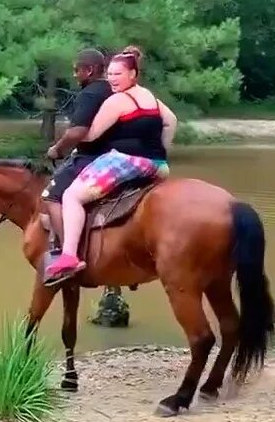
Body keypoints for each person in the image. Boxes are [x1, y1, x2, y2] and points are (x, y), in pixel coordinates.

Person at [44, 46, 177, 286]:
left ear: (133, 74)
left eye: (118, 75)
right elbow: (171, 122)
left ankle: (69, 256)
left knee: (72, 196)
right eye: (111, 75)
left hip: (126, 161)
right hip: (158, 166)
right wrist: (161, 150)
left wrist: (65, 143)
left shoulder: (118, 100)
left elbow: (89, 135)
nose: (112, 80)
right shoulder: (150, 97)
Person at [41, 48, 113, 263]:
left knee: (51, 196)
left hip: (91, 158)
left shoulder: (90, 94)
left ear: (89, 70)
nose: (74, 75)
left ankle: (67, 252)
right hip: (115, 155)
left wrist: (57, 149)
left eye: (77, 70)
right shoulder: (113, 90)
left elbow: (77, 132)